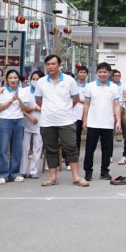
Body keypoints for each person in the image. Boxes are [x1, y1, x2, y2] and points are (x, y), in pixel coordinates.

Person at [34, 55, 86, 187]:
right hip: (47, 121)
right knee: (51, 149)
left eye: (53, 64)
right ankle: (52, 177)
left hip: (66, 121)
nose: (50, 66)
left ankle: (76, 177)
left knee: (71, 148)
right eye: (48, 64)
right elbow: (38, 101)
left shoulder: (69, 80)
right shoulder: (41, 82)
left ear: (59, 65)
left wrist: (65, 109)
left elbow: (75, 99)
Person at [83, 62, 126, 184]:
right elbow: (86, 104)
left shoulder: (114, 87)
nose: (102, 74)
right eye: (100, 71)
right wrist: (85, 120)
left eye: (105, 72)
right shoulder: (90, 86)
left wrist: (118, 121)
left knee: (107, 149)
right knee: (89, 149)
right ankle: (88, 172)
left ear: (109, 74)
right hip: (93, 123)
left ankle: (104, 171)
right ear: (97, 73)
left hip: (108, 123)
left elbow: (117, 105)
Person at [0, 69, 27, 183]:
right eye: (10, 78)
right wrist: (11, 100)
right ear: (7, 79)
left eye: (15, 78)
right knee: (2, 148)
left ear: (18, 79)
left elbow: (25, 109)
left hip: (19, 120)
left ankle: (14, 173)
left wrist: (19, 100)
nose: (13, 80)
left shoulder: (23, 91)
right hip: (4, 120)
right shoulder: (2, 91)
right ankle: (1, 174)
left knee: (17, 148)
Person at [19, 70, 42, 179]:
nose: (35, 81)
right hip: (26, 123)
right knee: (24, 147)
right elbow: (22, 108)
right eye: (33, 79)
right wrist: (31, 114)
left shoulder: (45, 91)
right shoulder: (24, 91)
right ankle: (23, 170)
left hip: (41, 123)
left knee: (37, 148)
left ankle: (33, 170)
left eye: (38, 79)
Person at [73, 65, 88, 144]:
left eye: (84, 72)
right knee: (69, 135)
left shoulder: (89, 87)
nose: (82, 74)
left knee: (77, 134)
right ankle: (64, 156)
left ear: (86, 74)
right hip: (71, 112)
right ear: (77, 73)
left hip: (82, 113)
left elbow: (88, 101)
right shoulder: (72, 85)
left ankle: (76, 155)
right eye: (81, 72)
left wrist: (78, 100)